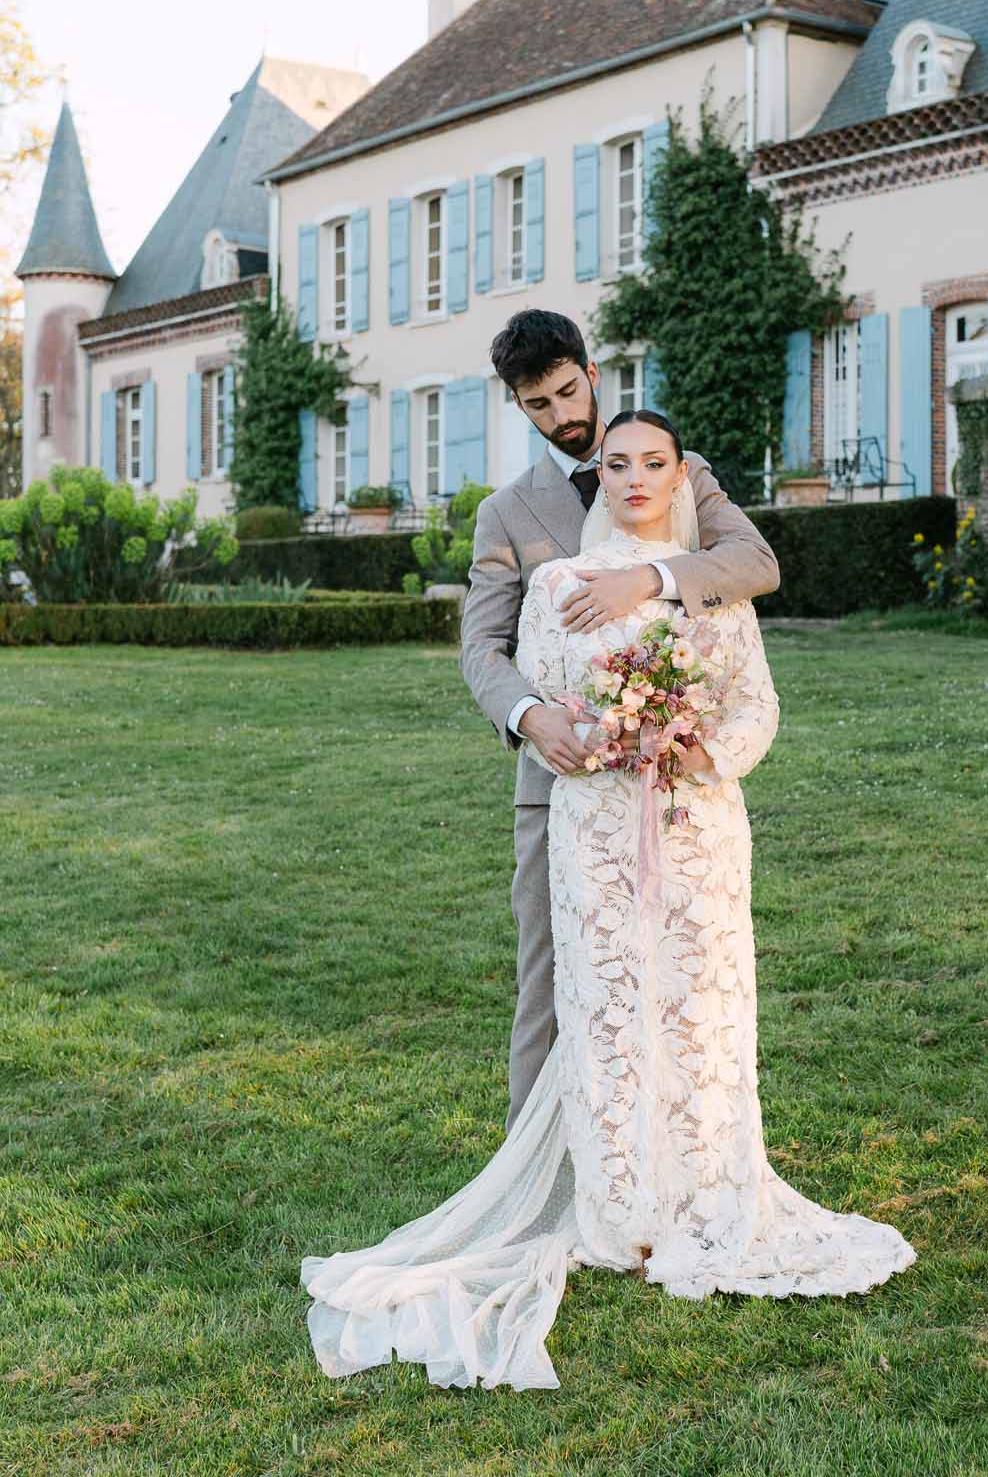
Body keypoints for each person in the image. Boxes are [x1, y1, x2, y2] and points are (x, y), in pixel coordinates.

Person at [300, 404, 915, 1391]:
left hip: (697, 821)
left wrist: (701, 747)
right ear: (603, 477)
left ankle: (709, 1196)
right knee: (609, 1007)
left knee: (702, 1007)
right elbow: (543, 690)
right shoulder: (558, 584)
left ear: (678, 475)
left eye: (653, 463)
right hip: (593, 826)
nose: (634, 478)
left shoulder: (710, 581)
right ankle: (619, 1208)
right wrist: (586, 729)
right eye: (618, 463)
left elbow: (754, 700)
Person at [459, 310, 781, 1131]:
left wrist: (650, 578)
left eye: (568, 392)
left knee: (684, 972)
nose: (561, 415)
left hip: (679, 791)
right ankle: (549, 1168)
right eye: (538, 405)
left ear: (592, 372)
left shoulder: (677, 469)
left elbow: (753, 564)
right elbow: (482, 647)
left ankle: (676, 1146)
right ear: (517, 405)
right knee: (552, 979)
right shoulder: (506, 513)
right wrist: (529, 716)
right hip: (561, 786)